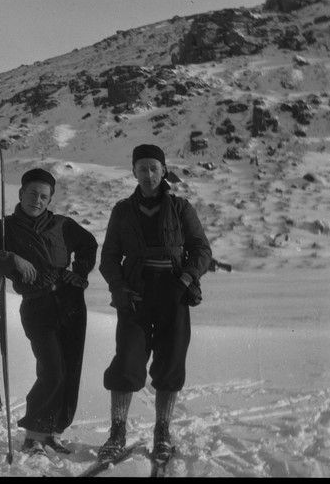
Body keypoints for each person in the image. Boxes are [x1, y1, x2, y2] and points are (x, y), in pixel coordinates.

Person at [0, 167, 98, 456]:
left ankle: (52, 432)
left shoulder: (63, 225)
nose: (37, 200)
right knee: (52, 369)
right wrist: (12, 259)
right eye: (32, 193)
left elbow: (88, 244)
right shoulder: (4, 228)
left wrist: (79, 271)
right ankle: (33, 434)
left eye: (43, 196)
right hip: (37, 305)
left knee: (69, 369)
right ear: (21, 193)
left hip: (70, 302)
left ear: (50, 200)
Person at [96, 144, 211, 463]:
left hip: (173, 293)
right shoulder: (122, 210)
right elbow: (109, 257)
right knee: (127, 360)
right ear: (134, 172)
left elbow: (201, 250)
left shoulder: (181, 208)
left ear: (164, 171)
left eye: (154, 168)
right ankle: (117, 433)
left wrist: (185, 280)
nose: (148, 175)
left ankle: (162, 432)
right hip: (135, 294)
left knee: (170, 361)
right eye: (142, 169)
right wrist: (118, 287)